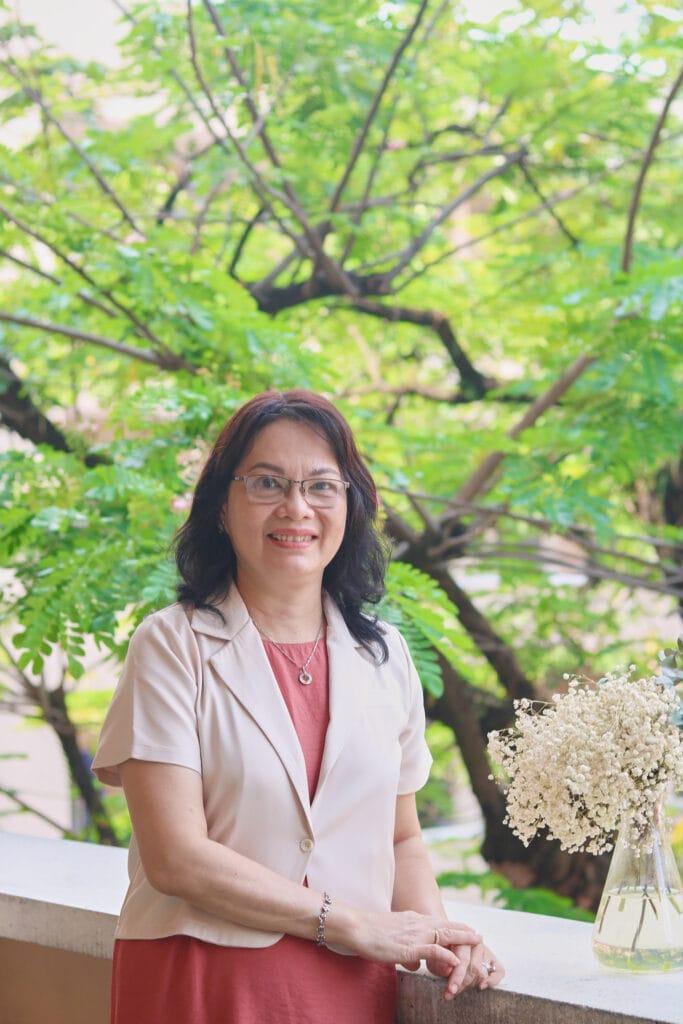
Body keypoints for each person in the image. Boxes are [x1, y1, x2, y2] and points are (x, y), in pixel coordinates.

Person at [91, 389, 504, 1024]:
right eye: (267, 483)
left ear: (351, 507)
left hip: (349, 987)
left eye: (321, 486)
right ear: (222, 505)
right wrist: (347, 922)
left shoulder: (386, 655)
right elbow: (175, 857)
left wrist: (441, 936)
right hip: (201, 981)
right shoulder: (172, 644)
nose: (296, 507)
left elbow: (401, 837)